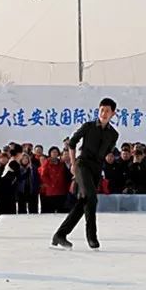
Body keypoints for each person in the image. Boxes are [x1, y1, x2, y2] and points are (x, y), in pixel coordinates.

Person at [51, 98, 119, 250]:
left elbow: (109, 151)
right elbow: (72, 143)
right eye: (102, 110)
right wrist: (73, 164)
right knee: (92, 198)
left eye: (107, 111)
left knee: (84, 202)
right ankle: (92, 237)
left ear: (113, 113)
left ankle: (60, 234)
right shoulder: (88, 126)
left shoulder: (114, 134)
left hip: (96, 169)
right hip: (82, 165)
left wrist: (109, 156)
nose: (104, 113)